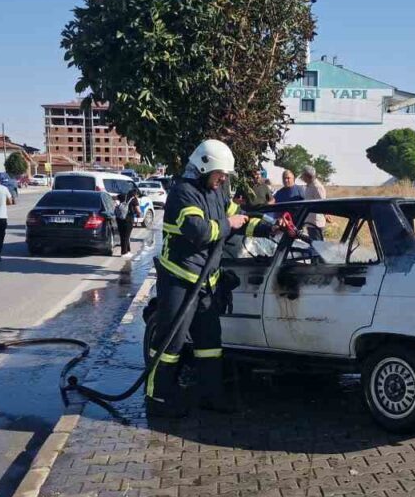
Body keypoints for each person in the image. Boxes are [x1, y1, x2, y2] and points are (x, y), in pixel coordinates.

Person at [147, 139, 273, 419]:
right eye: (220, 173)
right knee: (171, 344)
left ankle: (210, 396)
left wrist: (269, 228)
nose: (224, 178)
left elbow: (238, 218)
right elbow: (199, 231)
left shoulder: (215, 192)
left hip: (206, 282)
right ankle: (158, 398)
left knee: (210, 343)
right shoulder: (183, 193)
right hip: (180, 280)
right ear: (204, 167)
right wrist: (230, 224)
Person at [299, 165, 327, 241]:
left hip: (316, 223)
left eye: (303, 175)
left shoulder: (317, 187)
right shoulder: (308, 186)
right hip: (310, 222)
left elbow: (323, 204)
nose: (302, 178)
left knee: (318, 246)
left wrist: (326, 215)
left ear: (308, 176)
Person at [117, 187, 140, 256]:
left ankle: (128, 250)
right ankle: (124, 252)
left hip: (120, 218)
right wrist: (139, 215)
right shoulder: (134, 199)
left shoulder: (123, 196)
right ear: (135, 194)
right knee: (126, 236)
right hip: (128, 219)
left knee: (122, 235)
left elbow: (115, 198)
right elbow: (138, 210)